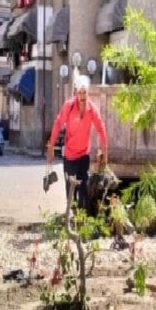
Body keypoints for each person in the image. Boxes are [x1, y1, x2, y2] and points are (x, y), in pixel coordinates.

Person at [47, 75, 108, 212]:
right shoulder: (69, 106)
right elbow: (58, 124)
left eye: (84, 92)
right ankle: (70, 214)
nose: (82, 96)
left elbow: (100, 127)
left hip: (83, 155)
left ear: (88, 93)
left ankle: (81, 217)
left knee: (83, 186)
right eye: (79, 93)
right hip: (69, 155)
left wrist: (104, 150)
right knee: (70, 188)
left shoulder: (91, 109)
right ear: (76, 93)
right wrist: (51, 147)